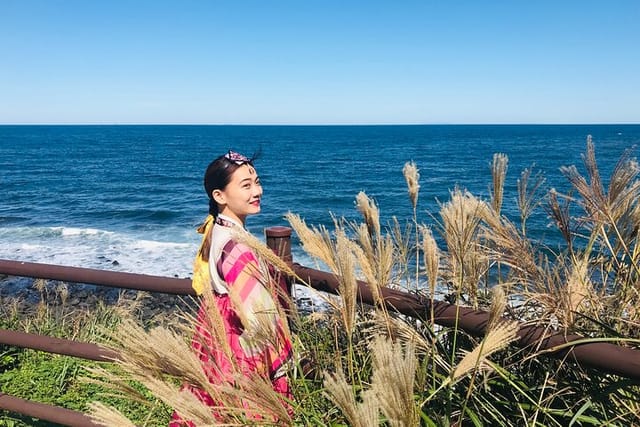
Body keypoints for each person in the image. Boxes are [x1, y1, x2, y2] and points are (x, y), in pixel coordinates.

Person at [170, 150, 293, 426]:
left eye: (257, 182)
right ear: (219, 196)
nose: (257, 191)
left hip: (217, 336)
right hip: (239, 344)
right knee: (247, 412)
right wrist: (274, 366)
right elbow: (258, 318)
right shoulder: (237, 245)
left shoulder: (218, 231)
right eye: (246, 185)